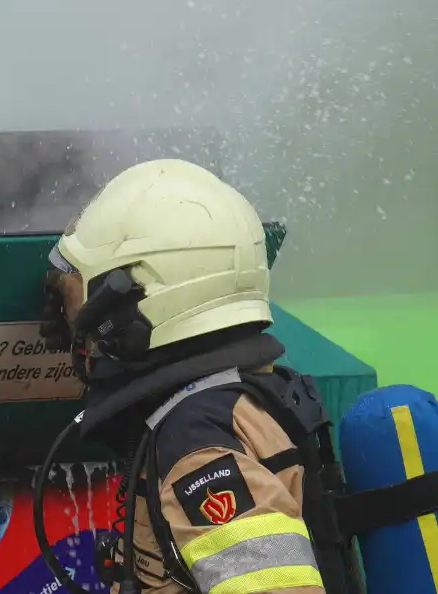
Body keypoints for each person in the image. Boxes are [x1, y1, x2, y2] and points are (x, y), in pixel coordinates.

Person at [39, 159, 359, 594]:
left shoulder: (196, 441)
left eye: (84, 300)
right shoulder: (251, 390)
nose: (79, 328)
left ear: (145, 293)